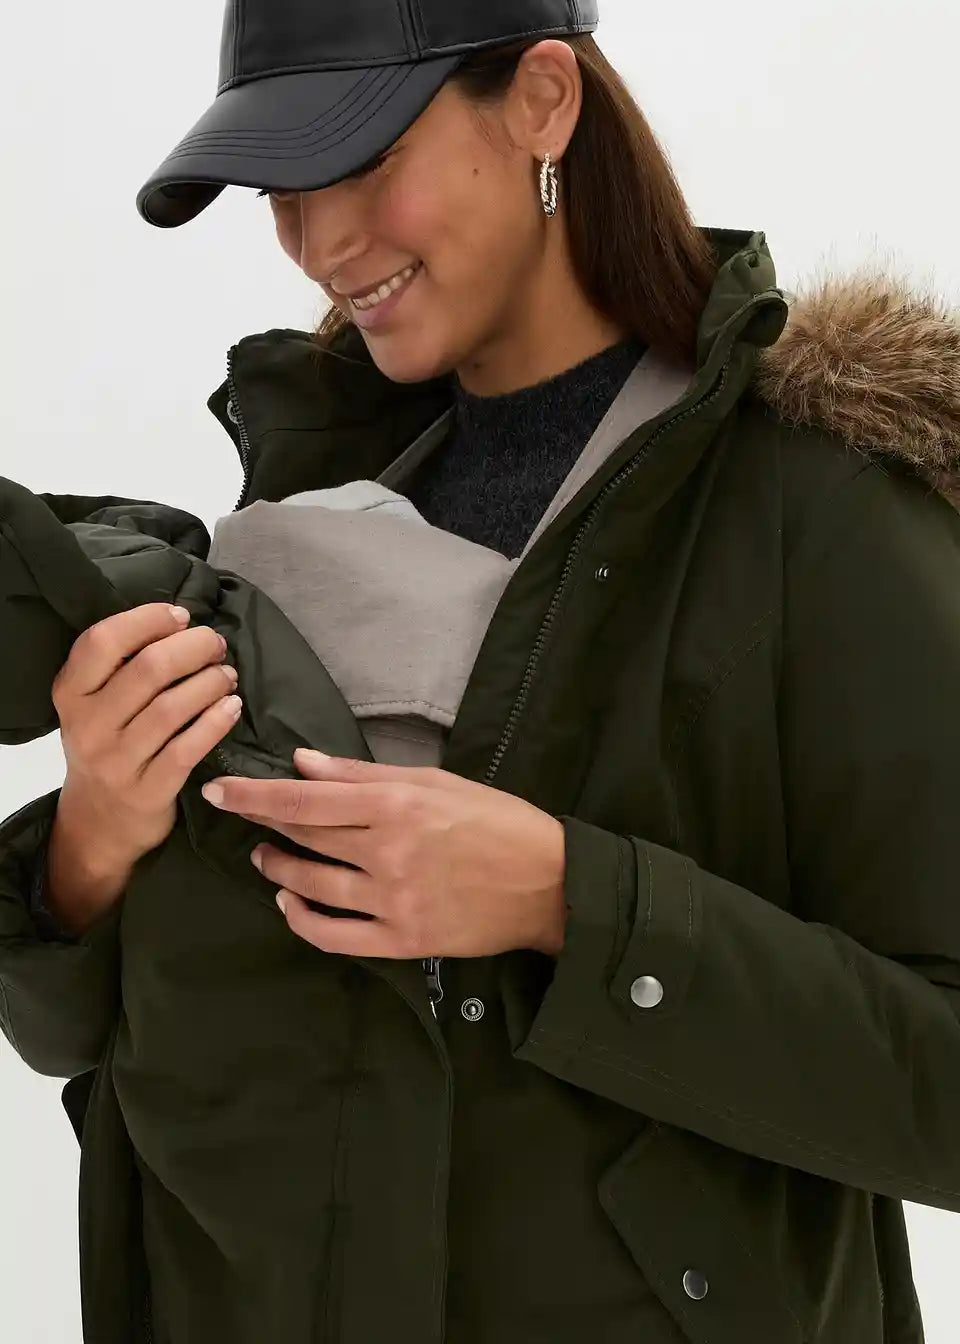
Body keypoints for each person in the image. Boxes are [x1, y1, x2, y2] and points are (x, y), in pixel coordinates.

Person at [2, 0, 960, 1341]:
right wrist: (93, 845)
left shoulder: (822, 511)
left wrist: (572, 901)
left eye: (364, 157)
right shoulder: (301, 516)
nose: (319, 241)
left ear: (545, 103)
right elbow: (92, 1046)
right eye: (281, 188)